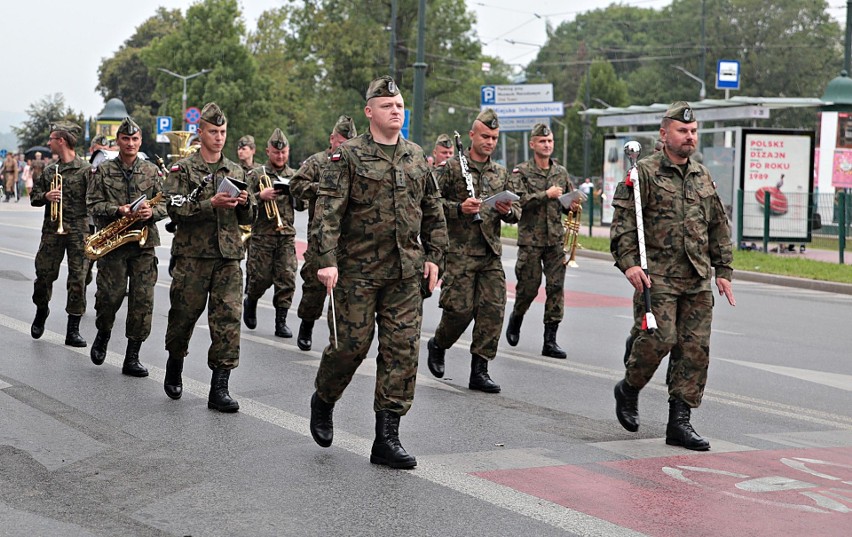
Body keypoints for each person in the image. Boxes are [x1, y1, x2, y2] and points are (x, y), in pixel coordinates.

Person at [309, 76, 447, 469]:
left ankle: (387, 437)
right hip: (356, 271)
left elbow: (433, 210)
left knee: (402, 351)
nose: (396, 111)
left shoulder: (417, 157)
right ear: (370, 112)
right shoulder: (348, 156)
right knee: (350, 347)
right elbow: (327, 212)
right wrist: (327, 260)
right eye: (388, 105)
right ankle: (324, 397)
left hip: (406, 272)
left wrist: (435, 256)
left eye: (400, 105)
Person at [610, 101, 736, 451]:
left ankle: (679, 422)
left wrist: (723, 269)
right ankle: (629, 388)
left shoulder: (701, 175)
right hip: (657, 277)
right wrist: (629, 263)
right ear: (664, 134)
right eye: (682, 131)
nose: (689, 137)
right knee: (659, 340)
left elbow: (717, 226)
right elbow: (623, 225)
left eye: (693, 131)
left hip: (696, 277)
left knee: (694, 350)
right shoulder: (644, 173)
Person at [162, 102, 256, 412]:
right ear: (200, 133)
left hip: (228, 255)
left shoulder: (237, 170)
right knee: (183, 316)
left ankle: (220, 388)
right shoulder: (183, 169)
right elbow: (174, 208)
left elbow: (249, 218)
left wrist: (244, 202)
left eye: (223, 132)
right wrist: (209, 204)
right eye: (213, 132)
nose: (219, 137)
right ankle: (175, 364)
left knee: (227, 319)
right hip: (193, 256)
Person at [426, 108, 520, 393]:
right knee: (459, 311)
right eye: (485, 136)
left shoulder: (500, 172)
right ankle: (438, 343)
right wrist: (458, 208)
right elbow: (429, 203)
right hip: (459, 252)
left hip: (489, 252)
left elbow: (516, 212)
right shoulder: (452, 168)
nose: (490, 142)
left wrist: (508, 211)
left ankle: (480, 369)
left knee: (493, 311)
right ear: (472, 135)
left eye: (494, 137)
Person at [87, 117, 167, 377]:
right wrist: (117, 210)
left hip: (144, 244)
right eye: (125, 139)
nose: (130, 143)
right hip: (114, 245)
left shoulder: (152, 171)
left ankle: (132, 356)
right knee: (109, 297)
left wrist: (150, 213)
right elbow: (92, 205)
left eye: (135, 139)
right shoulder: (105, 170)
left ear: (140, 141)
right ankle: (103, 333)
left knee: (142, 301)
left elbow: (165, 204)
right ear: (118, 142)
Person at [505, 123, 575, 359]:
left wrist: (572, 205)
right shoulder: (521, 172)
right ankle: (516, 317)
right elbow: (518, 201)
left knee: (556, 288)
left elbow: (566, 202)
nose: (547, 145)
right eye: (542, 141)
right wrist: (546, 195)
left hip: (555, 240)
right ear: (532, 144)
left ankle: (550, 340)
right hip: (531, 240)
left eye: (550, 141)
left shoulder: (561, 173)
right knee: (528, 288)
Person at [289, 114, 357, 351]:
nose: (344, 147)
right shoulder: (318, 162)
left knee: (344, 293)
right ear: (332, 139)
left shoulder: (356, 164)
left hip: (349, 241)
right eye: (341, 142)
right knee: (314, 287)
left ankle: (337, 340)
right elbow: (295, 185)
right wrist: (320, 188)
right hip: (321, 236)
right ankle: (307, 324)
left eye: (348, 143)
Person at [29, 121, 92, 347]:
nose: (49, 142)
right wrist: (46, 196)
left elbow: (95, 201)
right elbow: (34, 197)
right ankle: (41, 309)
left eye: (52, 138)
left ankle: (72, 329)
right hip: (52, 230)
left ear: (61, 141)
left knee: (78, 278)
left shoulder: (86, 170)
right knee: (44, 274)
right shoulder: (49, 171)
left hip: (78, 230)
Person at [243, 128, 300, 337]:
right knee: (260, 278)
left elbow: (302, 205)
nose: (280, 156)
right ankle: (251, 300)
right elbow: (244, 200)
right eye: (276, 153)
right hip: (262, 236)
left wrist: (296, 193)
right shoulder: (257, 174)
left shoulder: (294, 176)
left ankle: (281, 322)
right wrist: (261, 195)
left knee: (287, 278)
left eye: (284, 152)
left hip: (286, 235)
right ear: (268, 152)